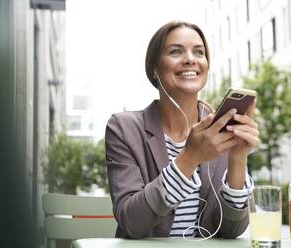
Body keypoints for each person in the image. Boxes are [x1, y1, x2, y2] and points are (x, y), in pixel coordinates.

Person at [105, 21, 260, 239]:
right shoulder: (124, 128)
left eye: (199, 52)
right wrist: (190, 157)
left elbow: (230, 231)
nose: (190, 59)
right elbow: (132, 222)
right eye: (176, 51)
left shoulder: (219, 129)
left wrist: (238, 159)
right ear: (154, 68)